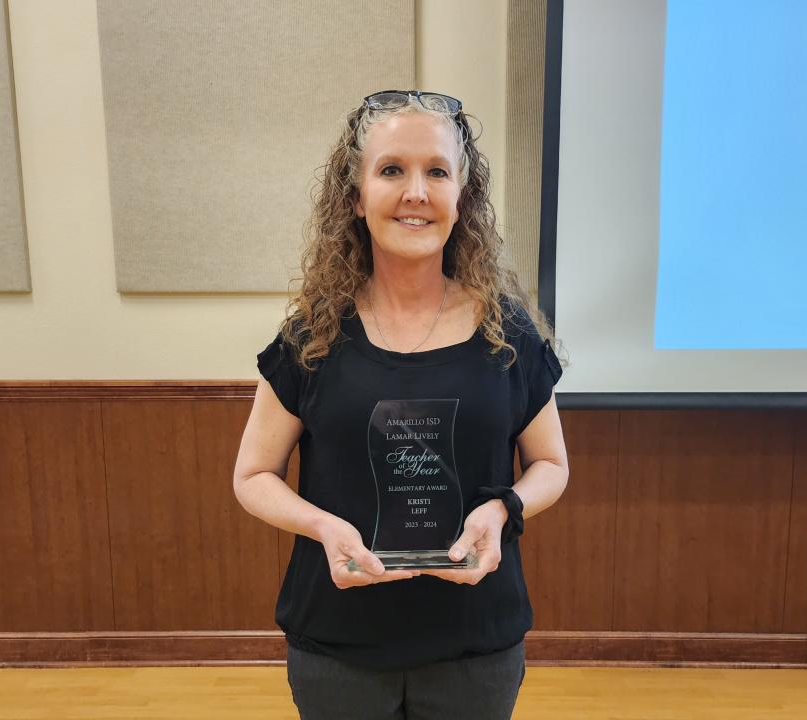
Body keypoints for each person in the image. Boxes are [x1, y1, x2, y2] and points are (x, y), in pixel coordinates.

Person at [233, 89, 569, 720]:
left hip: (476, 643)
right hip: (339, 643)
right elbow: (251, 475)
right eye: (391, 170)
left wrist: (503, 511)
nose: (416, 191)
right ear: (356, 197)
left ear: (461, 195)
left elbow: (551, 465)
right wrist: (324, 528)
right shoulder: (313, 335)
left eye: (436, 171)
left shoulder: (509, 334)